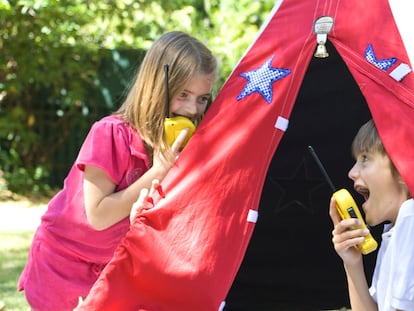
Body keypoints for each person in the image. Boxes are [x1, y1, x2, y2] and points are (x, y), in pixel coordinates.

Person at [18, 31, 217, 311]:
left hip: (114, 267)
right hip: (64, 264)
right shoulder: (110, 134)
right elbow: (98, 215)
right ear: (157, 88)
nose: (191, 109)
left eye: (202, 98)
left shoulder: (179, 146)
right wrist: (158, 171)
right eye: (183, 94)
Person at [330, 119, 414, 311]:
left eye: (365, 158)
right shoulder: (394, 229)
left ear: (403, 167)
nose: (352, 172)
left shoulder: (410, 217)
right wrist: (352, 263)